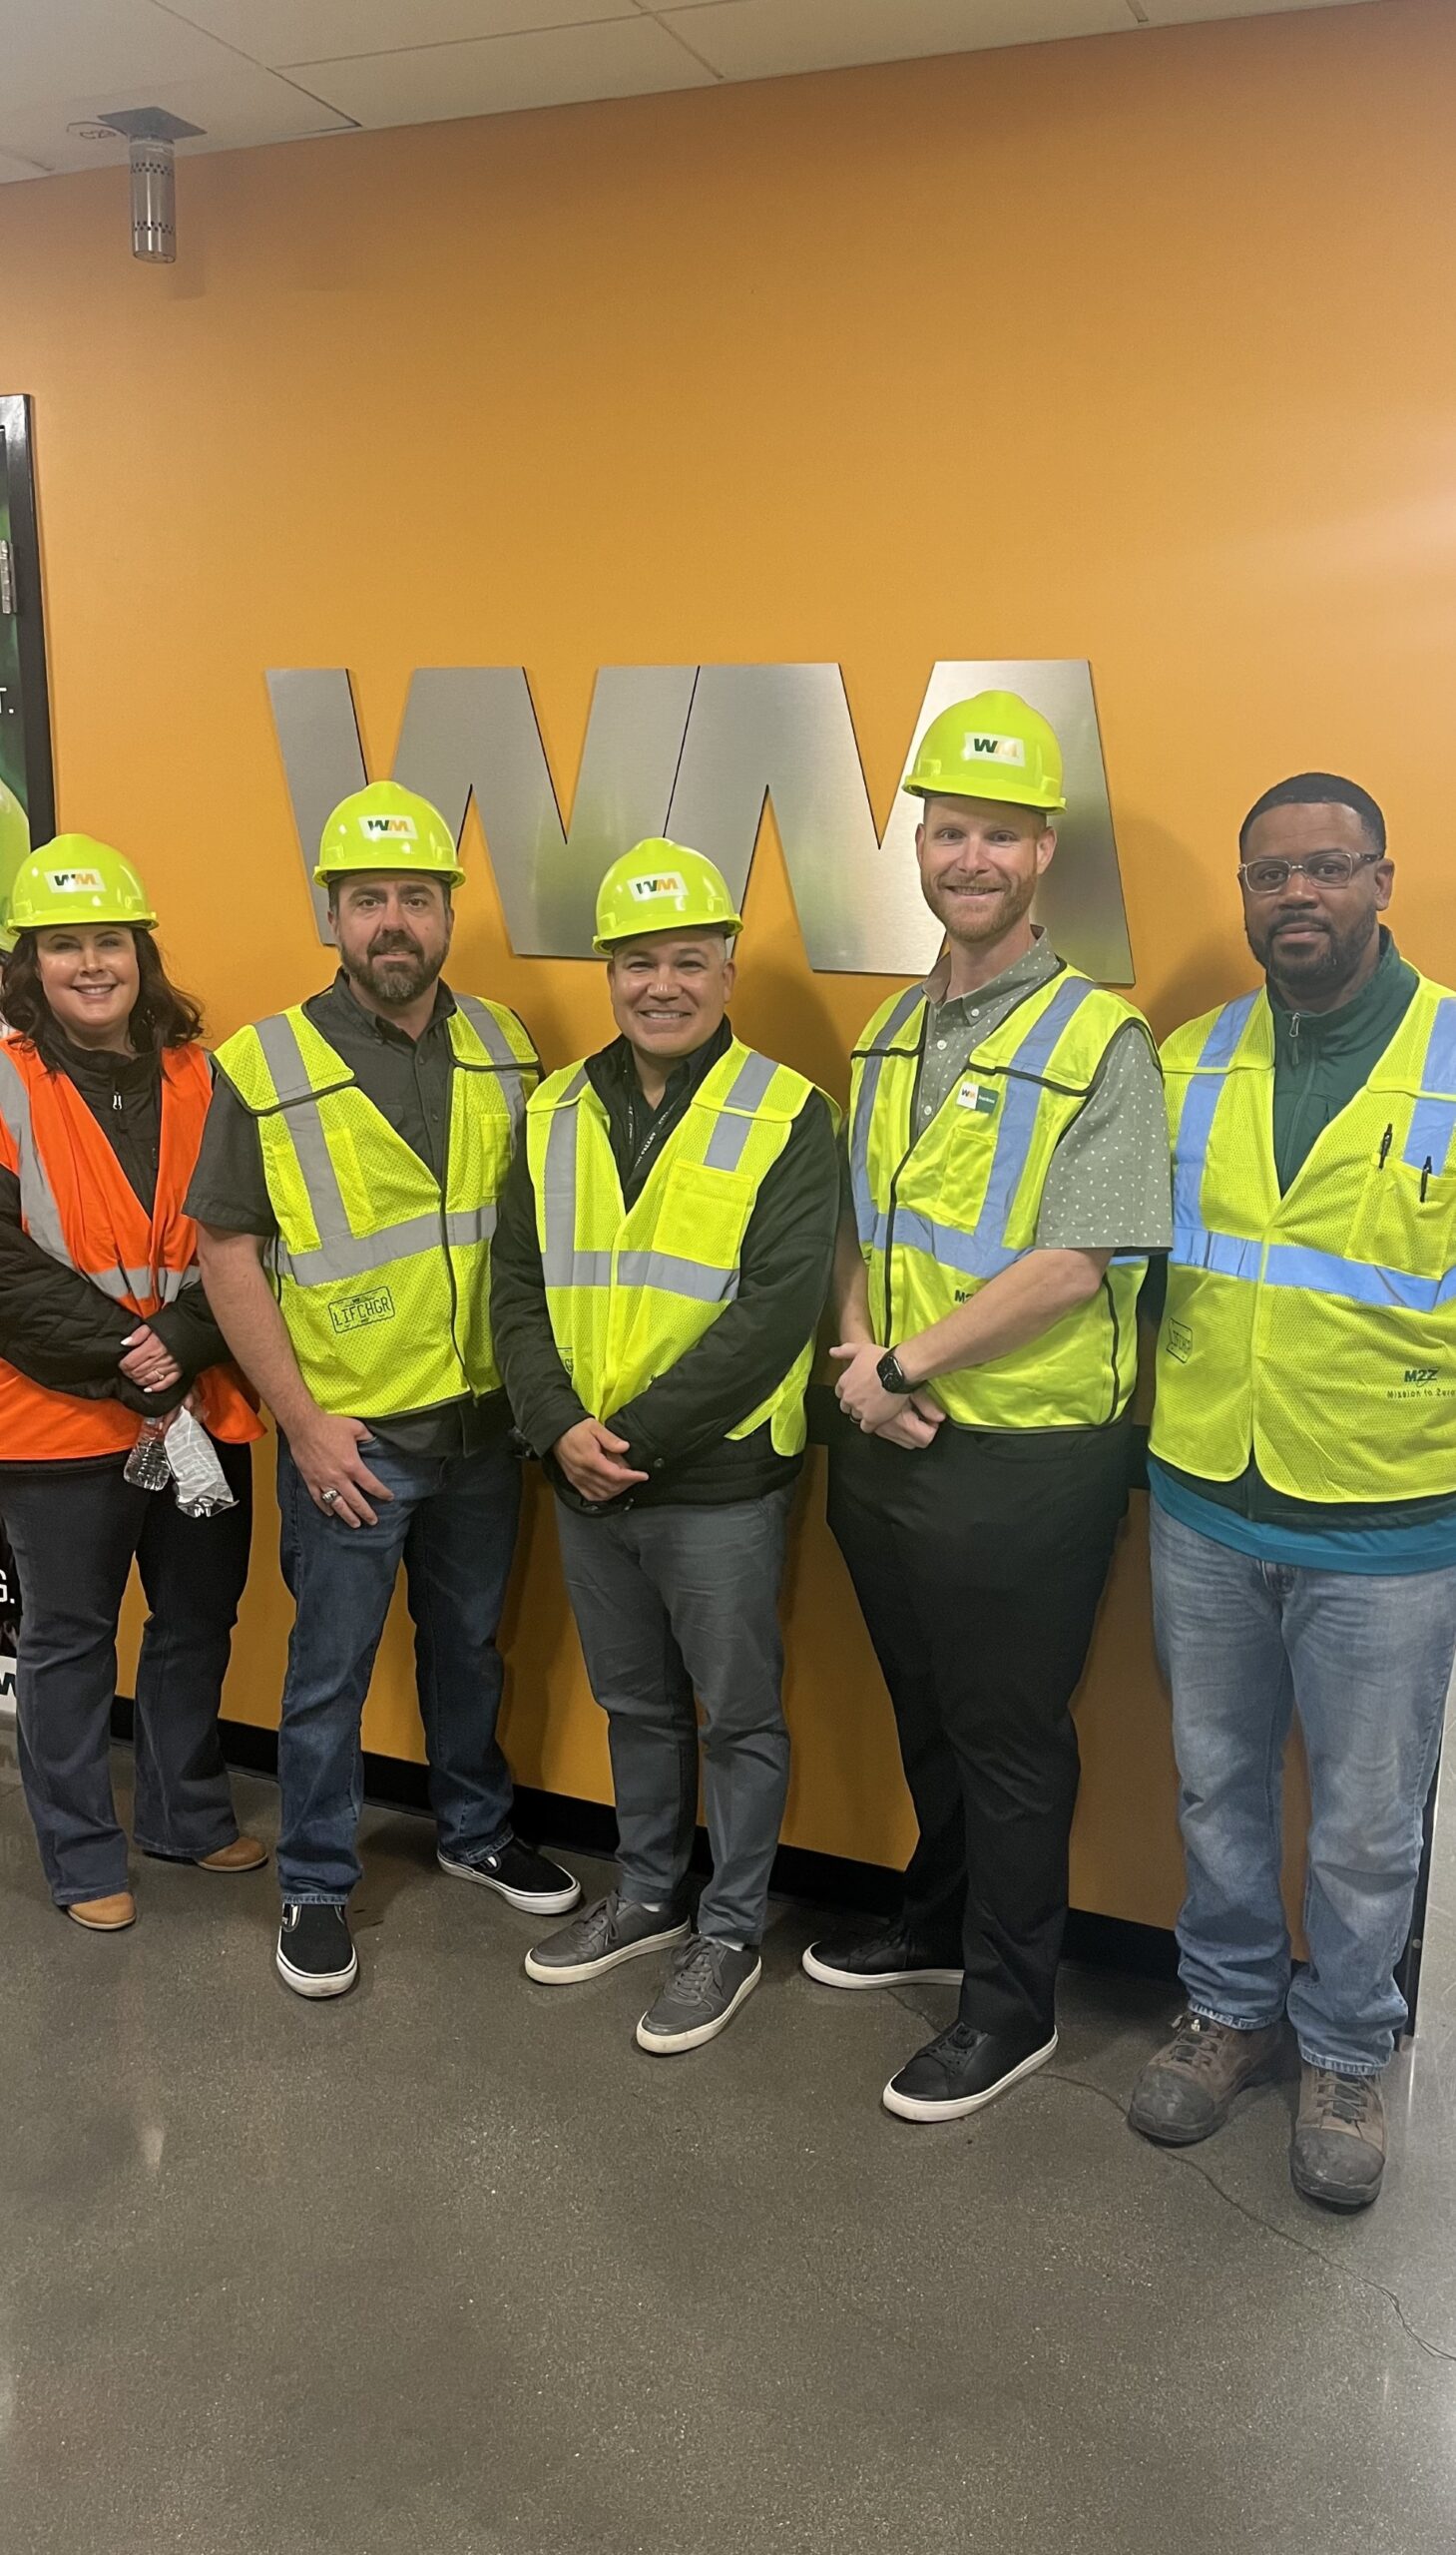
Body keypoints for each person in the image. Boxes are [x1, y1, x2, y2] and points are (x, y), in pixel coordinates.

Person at [806, 693, 1172, 2121]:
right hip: (887, 1436)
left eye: (998, 836)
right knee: (926, 1710)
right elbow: (859, 1226)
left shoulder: (1102, 1040)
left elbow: (1077, 1262)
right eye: (948, 831)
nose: (970, 858)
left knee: (1008, 1737)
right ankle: (932, 1912)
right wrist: (859, 1359)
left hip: (1025, 1457)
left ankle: (1008, 2008)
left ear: (1041, 854)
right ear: (919, 845)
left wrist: (901, 1369)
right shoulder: (889, 1031)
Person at [190, 782, 579, 2000]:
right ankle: (314, 1881)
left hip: (484, 1427)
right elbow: (226, 1254)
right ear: (333, 917)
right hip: (350, 1440)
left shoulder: (505, 1046)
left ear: (447, 912)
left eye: (415, 895)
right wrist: (302, 1426)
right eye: (368, 900)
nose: (392, 921)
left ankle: (473, 1827)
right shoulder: (266, 1063)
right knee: (330, 1675)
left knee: (469, 1645)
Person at [1129, 773, 1456, 2211]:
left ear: (1380, 878)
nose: (1296, 895)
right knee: (1214, 1785)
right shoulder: (1191, 1059)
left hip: (1390, 1521)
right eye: (1269, 876)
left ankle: (1343, 2051)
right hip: (1205, 1496)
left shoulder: (1448, 1056)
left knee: (1369, 1822)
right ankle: (1228, 2011)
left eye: (1325, 867)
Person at [490, 840, 839, 2054]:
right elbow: (516, 1286)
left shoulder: (789, 1111)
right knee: (634, 1702)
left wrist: (626, 1438)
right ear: (609, 975)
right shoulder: (550, 1111)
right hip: (583, 1472)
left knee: (736, 1714)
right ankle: (647, 1892)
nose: (662, 986)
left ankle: (729, 1930)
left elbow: (778, 1309)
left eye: (689, 961)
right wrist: (557, 1428)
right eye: (638, 963)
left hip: (717, 1479)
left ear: (727, 973)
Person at [0, 836, 265, 1931]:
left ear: (141, 954)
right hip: (57, 1419)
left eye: (109, 940)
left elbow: (254, 1233)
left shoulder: (206, 1076)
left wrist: (182, 1344)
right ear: (30, 963)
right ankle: (80, 1856)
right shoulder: (2, 1078)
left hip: (202, 1401)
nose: (91, 964)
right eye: (64, 945)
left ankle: (184, 1815)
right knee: (68, 1640)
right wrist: (127, 1352)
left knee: (196, 1620)